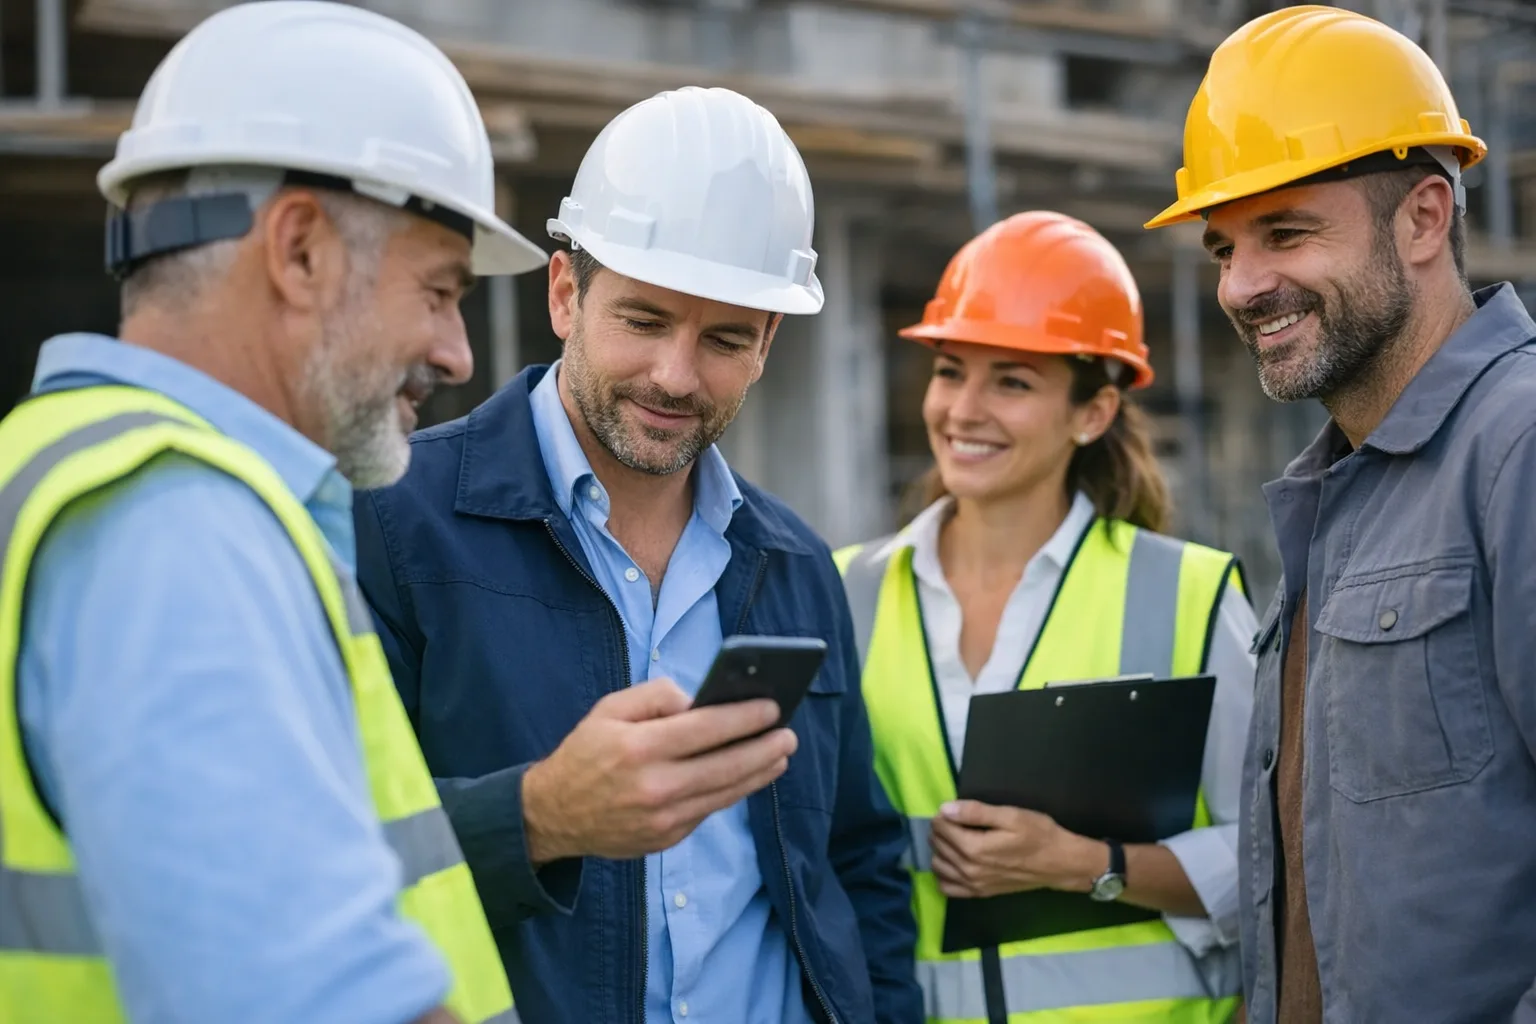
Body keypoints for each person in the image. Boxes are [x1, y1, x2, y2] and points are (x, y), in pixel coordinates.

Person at [0, 4, 550, 1022]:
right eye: (439, 291)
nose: (458, 353)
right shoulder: (177, 529)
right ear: (300, 252)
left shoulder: (62, 465)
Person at [352, 85, 922, 1024]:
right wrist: (539, 818)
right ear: (565, 293)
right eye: (645, 321)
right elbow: (320, 856)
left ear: (768, 343)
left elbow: (855, 864)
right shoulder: (395, 523)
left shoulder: (794, 564)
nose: (675, 375)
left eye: (725, 338)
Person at [1144, 6, 1536, 1023]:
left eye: (1287, 232)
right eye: (1223, 248)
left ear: (1424, 218)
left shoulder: (1517, 446)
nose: (1243, 285)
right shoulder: (1335, 493)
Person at [835, 211, 1252, 1023]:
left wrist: (1085, 862)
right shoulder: (846, 591)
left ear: (1092, 413)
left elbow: (1274, 852)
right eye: (950, 371)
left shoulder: (1187, 595)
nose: (964, 409)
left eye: (1013, 382)